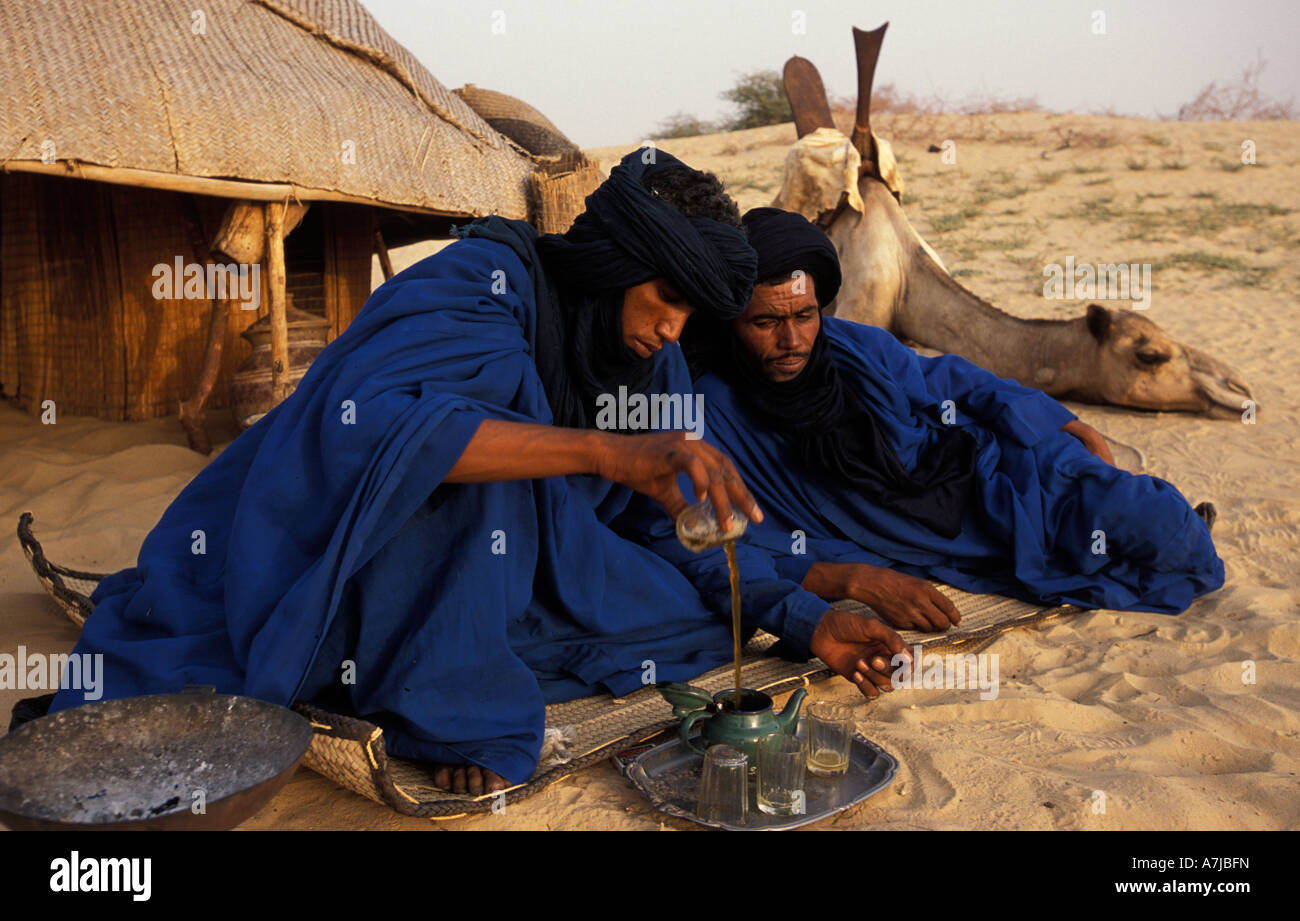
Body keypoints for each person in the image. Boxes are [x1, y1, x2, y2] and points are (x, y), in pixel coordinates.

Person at [47, 153, 907, 795]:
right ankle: (449, 703)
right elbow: (384, 434)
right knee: (478, 452)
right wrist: (610, 452)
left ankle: (449, 660)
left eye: (693, 313)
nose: (675, 331)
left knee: (672, 616)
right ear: (615, 267)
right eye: (666, 301)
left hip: (512, 564)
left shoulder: (657, 369)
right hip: (320, 535)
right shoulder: (483, 281)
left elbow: (664, 531)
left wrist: (802, 612)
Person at [679, 207, 1224, 652]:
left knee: (1160, 528)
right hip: (909, 536)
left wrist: (1063, 419)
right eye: (766, 323)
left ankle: (1167, 525)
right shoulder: (712, 412)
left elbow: (949, 379)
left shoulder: (852, 344)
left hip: (987, 471)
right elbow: (726, 550)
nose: (793, 340)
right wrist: (853, 580)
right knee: (1124, 545)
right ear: (730, 323)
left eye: (804, 316)